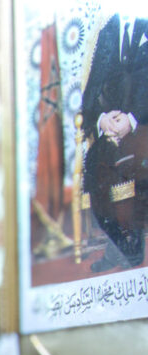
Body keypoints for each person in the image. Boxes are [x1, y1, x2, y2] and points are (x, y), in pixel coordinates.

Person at [81, 12, 148, 272]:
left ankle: (132, 242)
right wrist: (102, 120)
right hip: (111, 131)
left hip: (143, 128)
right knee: (94, 166)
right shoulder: (109, 29)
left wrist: (131, 120)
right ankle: (120, 244)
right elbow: (91, 94)